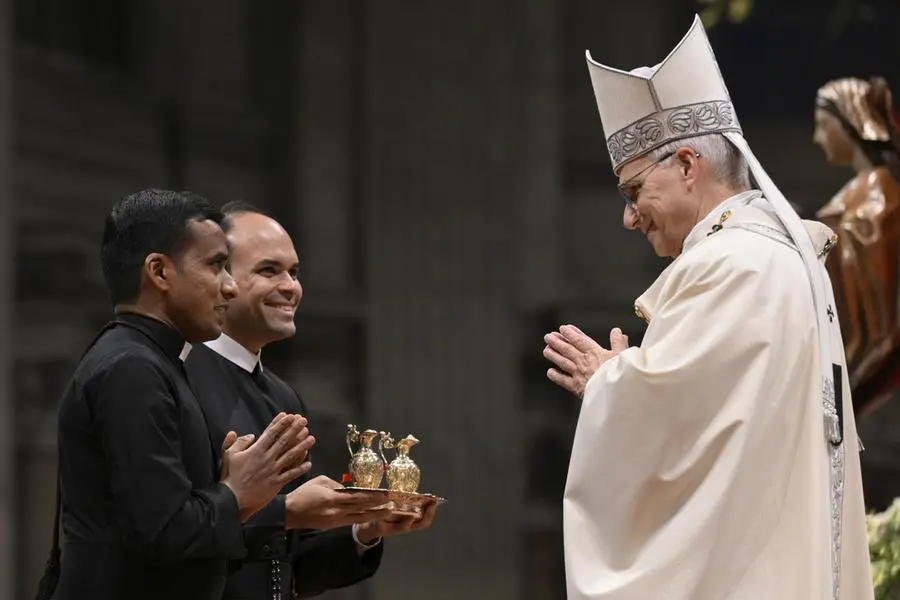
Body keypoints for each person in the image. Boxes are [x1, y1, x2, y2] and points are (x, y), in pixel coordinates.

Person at [542, 16, 874, 599]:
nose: (628, 216)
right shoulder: (786, 259)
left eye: (634, 191)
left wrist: (610, 382)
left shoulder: (728, 264)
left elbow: (673, 426)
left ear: (688, 166)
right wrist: (629, 382)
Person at [53, 189, 315, 600]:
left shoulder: (150, 361)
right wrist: (237, 491)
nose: (229, 287)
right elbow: (163, 532)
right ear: (159, 272)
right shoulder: (133, 368)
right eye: (216, 266)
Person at [184, 201, 439, 599]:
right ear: (221, 278)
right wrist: (284, 513)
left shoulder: (282, 396)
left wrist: (362, 529)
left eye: (295, 273)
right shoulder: (176, 379)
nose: (291, 287)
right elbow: (166, 533)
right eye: (269, 270)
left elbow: (292, 567)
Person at [813, 76, 900, 414]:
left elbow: (877, 330)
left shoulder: (874, 209)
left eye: (823, 125)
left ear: (853, 121)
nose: (817, 139)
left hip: (861, 376)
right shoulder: (858, 200)